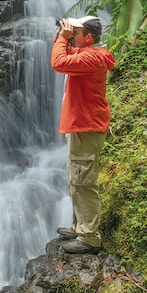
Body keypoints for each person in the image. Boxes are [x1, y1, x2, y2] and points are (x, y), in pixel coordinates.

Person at [51, 16, 115, 255]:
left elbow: (58, 62)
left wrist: (62, 38)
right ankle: (80, 227)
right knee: (75, 178)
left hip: (87, 127)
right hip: (81, 126)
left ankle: (89, 237)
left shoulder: (91, 57)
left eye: (76, 33)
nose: (71, 36)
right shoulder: (87, 53)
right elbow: (64, 57)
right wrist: (64, 36)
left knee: (83, 181)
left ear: (89, 38)